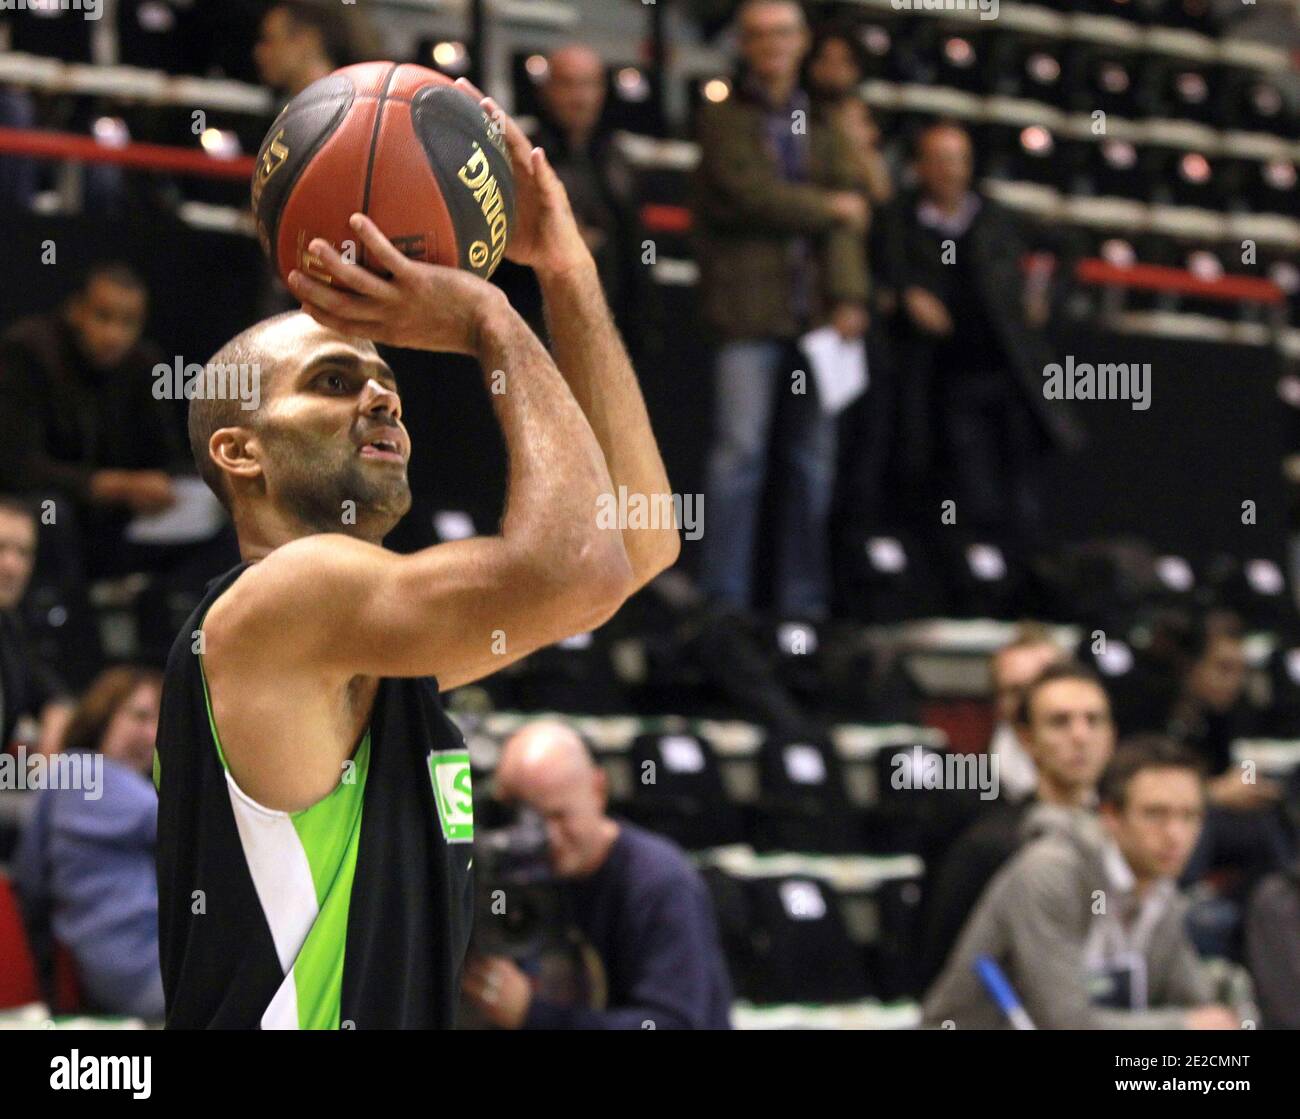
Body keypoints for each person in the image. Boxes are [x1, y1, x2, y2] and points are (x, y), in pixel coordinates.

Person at [154, 80, 680, 1029]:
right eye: (332, 379)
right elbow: (585, 566)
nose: (383, 396)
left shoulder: (369, 654)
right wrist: (492, 319)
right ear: (241, 453)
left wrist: (563, 271)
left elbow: (638, 540)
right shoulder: (285, 602)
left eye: (388, 376)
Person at [694, 0, 869, 620]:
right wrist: (827, 210)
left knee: (811, 466)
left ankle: (803, 608)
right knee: (738, 458)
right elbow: (746, 196)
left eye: (782, 33)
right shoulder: (723, 117)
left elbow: (856, 208)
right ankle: (724, 606)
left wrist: (850, 297)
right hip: (747, 314)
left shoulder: (822, 118)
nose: (771, 44)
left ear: (801, 41)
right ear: (744, 43)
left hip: (819, 317)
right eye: (760, 34)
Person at [923, 736, 1238, 1030]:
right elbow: (1065, 1022)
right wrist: (1182, 1025)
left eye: (1190, 816)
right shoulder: (1051, 873)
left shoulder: (1161, 890)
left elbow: (1199, 1005)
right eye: (1156, 814)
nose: (1175, 835)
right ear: (1111, 816)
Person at [875, 121, 1082, 557]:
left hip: (1006, 369)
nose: (952, 170)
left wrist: (1043, 295)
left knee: (1019, 483)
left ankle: (1023, 577)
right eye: (941, 159)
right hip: (936, 376)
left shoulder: (995, 217)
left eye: (960, 160)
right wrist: (906, 293)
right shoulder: (899, 219)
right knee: (957, 483)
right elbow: (881, 270)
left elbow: (1064, 246)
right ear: (920, 167)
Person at [463, 722, 733, 1029]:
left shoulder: (660, 882)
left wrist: (533, 1016)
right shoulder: (521, 872)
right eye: (530, 823)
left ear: (598, 790)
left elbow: (671, 1023)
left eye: (560, 816)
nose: (549, 837)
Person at [918, 661, 1116, 990]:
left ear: (1112, 736)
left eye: (1094, 721)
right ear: (1027, 738)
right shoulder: (988, 846)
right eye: (1059, 722)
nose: (1080, 736)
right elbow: (945, 972)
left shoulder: (1128, 838)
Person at [0, 263, 187, 581]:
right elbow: (18, 466)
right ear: (76, 311)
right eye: (103, 317)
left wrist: (162, 486)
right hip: (44, 499)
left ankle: (184, 624)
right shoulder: (28, 351)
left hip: (117, 512)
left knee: (215, 516)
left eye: (129, 322)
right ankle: (77, 627)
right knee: (52, 512)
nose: (115, 335)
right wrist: (109, 485)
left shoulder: (144, 364)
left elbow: (167, 454)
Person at [14, 667, 166, 1021]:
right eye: (140, 716)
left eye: (160, 720)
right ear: (102, 714)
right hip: (137, 968)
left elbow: (31, 878)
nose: (152, 732)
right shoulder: (83, 773)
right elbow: (182, 829)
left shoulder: (73, 780)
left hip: (131, 964)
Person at [531, 45, 637, 327]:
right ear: (546, 89)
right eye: (568, 84)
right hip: (539, 318)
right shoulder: (524, 157)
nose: (580, 97)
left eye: (589, 84)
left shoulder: (617, 157)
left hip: (612, 317)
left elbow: (637, 250)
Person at [0, 496, 72, 757]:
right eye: (1, 548)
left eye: (23, 553)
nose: (12, 566)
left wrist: (48, 757)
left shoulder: (8, 627)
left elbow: (52, 695)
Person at [986, 627, 1065, 803]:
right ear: (998, 702)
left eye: (1041, 685)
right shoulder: (971, 787)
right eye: (1016, 691)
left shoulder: (1115, 782)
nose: (1030, 702)